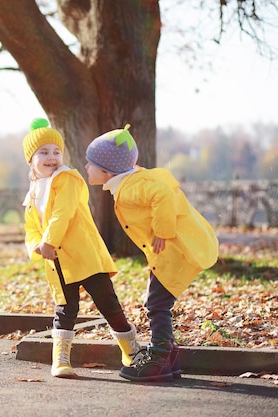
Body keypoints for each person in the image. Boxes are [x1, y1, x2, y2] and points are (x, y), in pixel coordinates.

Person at [85, 124, 219, 382]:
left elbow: (162, 193)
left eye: (90, 163)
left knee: (156, 304)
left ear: (106, 170)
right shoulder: (131, 179)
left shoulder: (134, 186)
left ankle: (159, 358)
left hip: (176, 251)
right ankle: (167, 357)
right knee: (156, 302)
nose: (87, 167)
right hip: (170, 252)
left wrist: (162, 230)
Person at [21, 118, 141, 378]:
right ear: (31, 159)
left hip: (85, 255)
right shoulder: (32, 193)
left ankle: (131, 351)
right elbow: (31, 227)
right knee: (65, 308)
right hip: (59, 260)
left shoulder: (68, 179)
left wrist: (49, 240)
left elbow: (62, 213)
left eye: (56, 151)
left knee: (108, 303)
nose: (51, 157)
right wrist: (37, 246)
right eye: (43, 152)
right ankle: (61, 359)